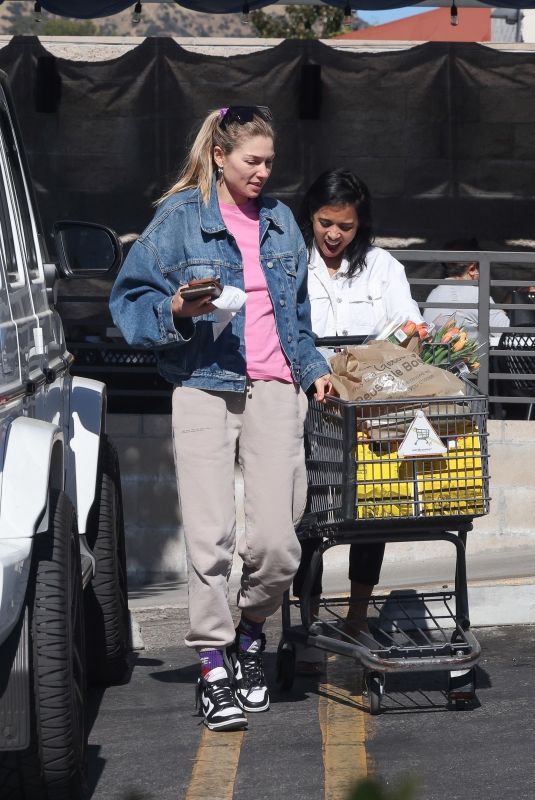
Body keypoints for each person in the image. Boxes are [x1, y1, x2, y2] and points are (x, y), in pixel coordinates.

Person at [109, 106, 331, 730]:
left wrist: (313, 368)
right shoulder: (178, 220)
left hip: (275, 387)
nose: (262, 172)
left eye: (269, 162)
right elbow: (129, 299)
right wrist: (174, 310)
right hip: (203, 387)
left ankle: (251, 633)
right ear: (219, 157)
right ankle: (213, 663)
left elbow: (298, 315)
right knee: (209, 539)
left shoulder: (283, 222)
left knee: (279, 542)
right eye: (251, 161)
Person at [293, 168, 424, 674]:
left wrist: (391, 352)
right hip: (311, 399)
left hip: (367, 403)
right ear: (311, 216)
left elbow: (407, 323)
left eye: (345, 227)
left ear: (359, 225)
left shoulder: (382, 267)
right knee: (310, 515)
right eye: (326, 222)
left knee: (372, 507)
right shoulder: (293, 264)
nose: (333, 235)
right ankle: (305, 620)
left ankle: (356, 616)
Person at [423, 238, 510, 346]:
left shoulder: (436, 292)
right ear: (473, 269)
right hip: (469, 361)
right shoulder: (473, 293)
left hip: (439, 358)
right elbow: (507, 331)